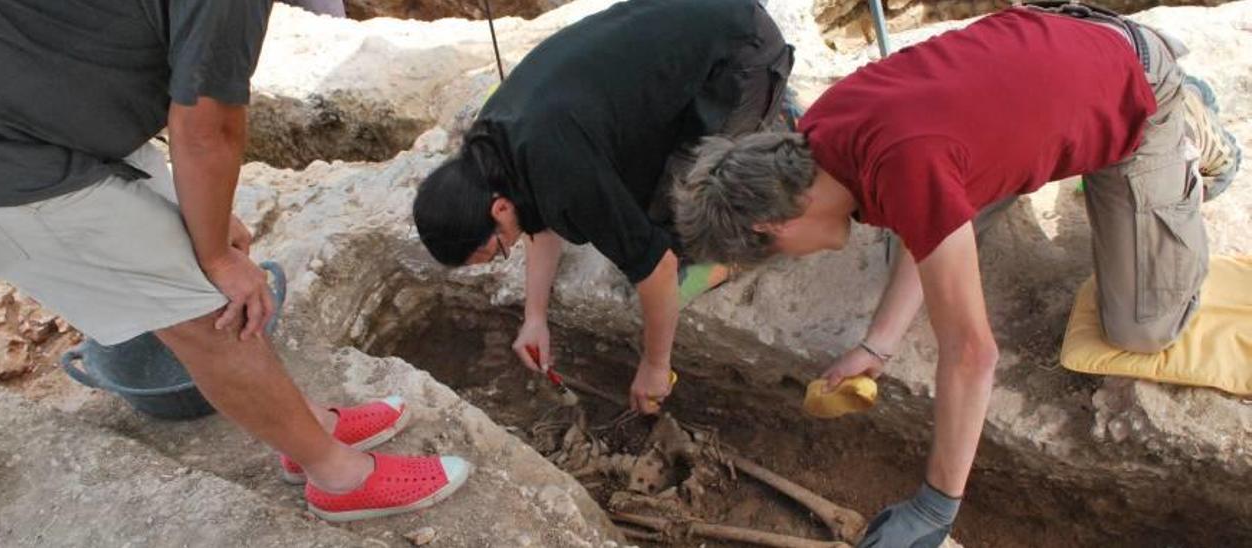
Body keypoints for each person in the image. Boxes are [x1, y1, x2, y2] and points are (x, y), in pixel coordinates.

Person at [671, 3, 1241, 546]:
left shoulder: (905, 166)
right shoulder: (820, 135)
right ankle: (1057, 140)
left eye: (777, 252)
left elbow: (972, 353)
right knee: (908, 250)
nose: (796, 258)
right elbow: (919, 216)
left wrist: (935, 505)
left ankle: (1189, 120)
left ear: (775, 226)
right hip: (1041, 56)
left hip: (1131, 80)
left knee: (1143, 326)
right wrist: (878, 344)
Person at [0, 0, 468, 522]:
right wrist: (213, 254)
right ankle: (337, 477)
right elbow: (208, 128)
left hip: (36, 117)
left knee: (194, 272)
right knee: (208, 314)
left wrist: (203, 215)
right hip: (4, 167)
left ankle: (308, 427)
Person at [413, 0, 794, 414]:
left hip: (742, 50)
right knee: (638, 203)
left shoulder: (557, 165)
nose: (509, 247)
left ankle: (773, 129)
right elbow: (539, 218)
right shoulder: (492, 144)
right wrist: (534, 316)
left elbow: (656, 267)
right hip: (689, 32)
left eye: (500, 248)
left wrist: (654, 365)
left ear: (499, 209)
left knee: (682, 233)